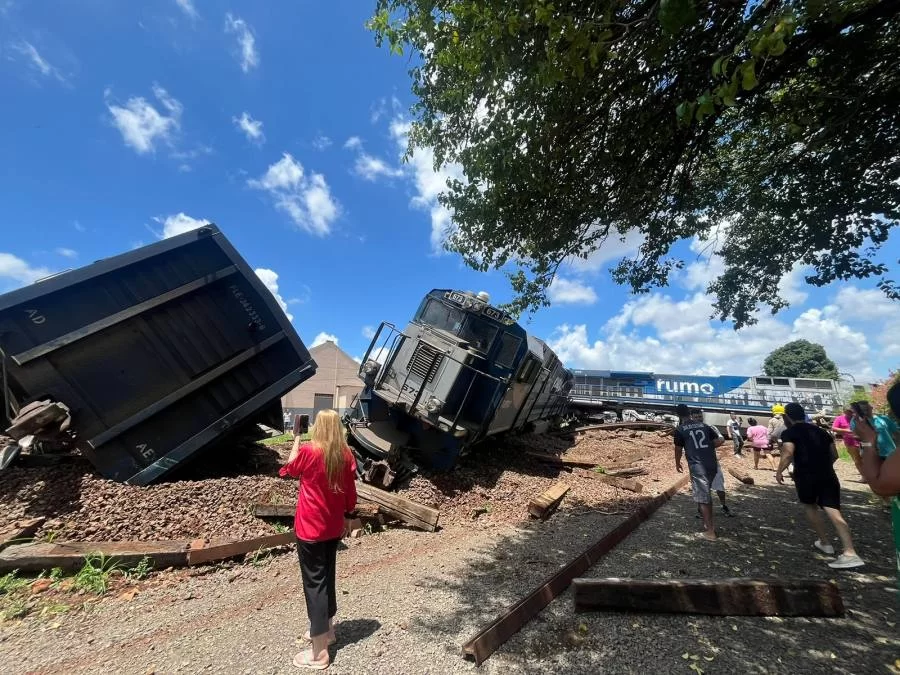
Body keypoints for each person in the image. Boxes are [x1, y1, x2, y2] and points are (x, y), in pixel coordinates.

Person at [279, 409, 358, 670]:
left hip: (310, 529)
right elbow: (350, 493)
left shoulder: (310, 452)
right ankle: (329, 630)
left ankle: (319, 653)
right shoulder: (346, 455)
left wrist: (297, 439)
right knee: (327, 576)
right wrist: (348, 517)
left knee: (315, 585)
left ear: (318, 427)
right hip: (333, 527)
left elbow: (288, 470)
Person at [776, 402, 864, 569]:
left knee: (810, 506)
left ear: (787, 417)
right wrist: (823, 465)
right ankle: (849, 551)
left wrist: (779, 471)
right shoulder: (822, 431)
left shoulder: (790, 433)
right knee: (834, 512)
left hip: (805, 476)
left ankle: (825, 542)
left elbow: (788, 453)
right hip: (828, 475)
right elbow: (835, 454)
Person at [853, 382, 900, 583]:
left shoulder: (881, 421)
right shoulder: (858, 424)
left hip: (886, 457)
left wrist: (868, 442)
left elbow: (881, 485)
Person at [674, 405, 729, 540]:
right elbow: (717, 441)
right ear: (689, 413)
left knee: (704, 498)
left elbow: (678, 449)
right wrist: (706, 449)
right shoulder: (704, 426)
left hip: (698, 466)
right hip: (711, 464)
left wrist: (677, 462)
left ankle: (710, 531)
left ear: (678, 415)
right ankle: (706, 523)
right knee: (705, 494)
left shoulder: (680, 430)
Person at [832, 408, 863, 478]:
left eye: (851, 411)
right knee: (857, 460)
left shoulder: (858, 418)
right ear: (845, 411)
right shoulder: (839, 418)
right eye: (848, 412)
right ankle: (864, 476)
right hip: (850, 443)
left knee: (866, 459)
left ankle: (870, 475)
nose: (850, 413)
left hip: (862, 441)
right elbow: (834, 428)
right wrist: (847, 430)